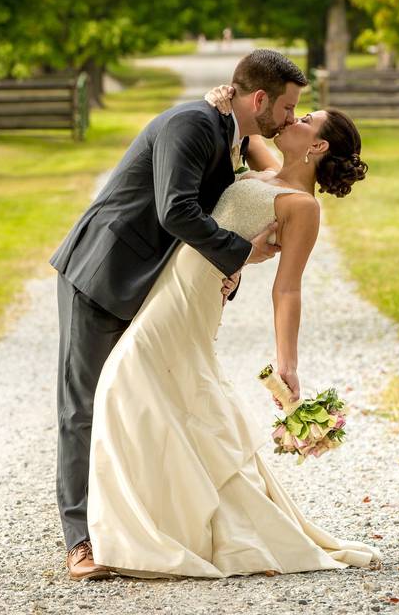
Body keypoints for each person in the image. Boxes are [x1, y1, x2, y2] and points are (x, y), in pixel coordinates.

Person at [85, 86, 381, 578]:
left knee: (121, 381)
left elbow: (288, 290)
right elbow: (242, 130)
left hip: (193, 298)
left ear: (319, 146)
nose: (294, 118)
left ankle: (151, 531)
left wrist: (288, 364)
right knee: (156, 394)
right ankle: (163, 523)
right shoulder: (267, 166)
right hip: (171, 282)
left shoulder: (301, 207)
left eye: (306, 117)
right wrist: (217, 100)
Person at [49, 49, 308, 580]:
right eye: (287, 108)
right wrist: (239, 253)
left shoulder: (230, 135)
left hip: (151, 285)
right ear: (258, 99)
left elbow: (256, 188)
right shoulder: (192, 124)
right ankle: (81, 541)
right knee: (84, 407)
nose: (288, 119)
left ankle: (133, 527)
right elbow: (174, 209)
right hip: (103, 273)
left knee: (137, 406)